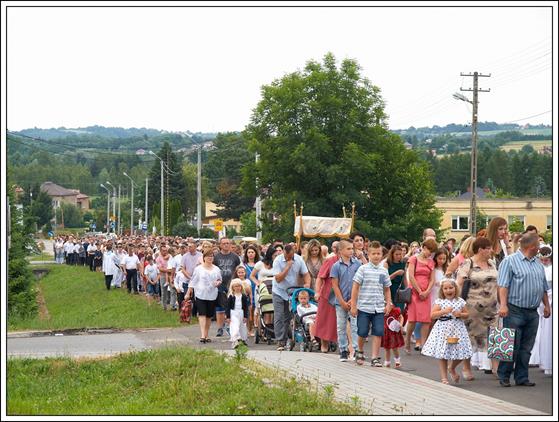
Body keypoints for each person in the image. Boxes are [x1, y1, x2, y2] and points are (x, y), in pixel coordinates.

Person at [496, 232, 551, 387]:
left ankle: (522, 377)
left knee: (526, 347)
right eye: (538, 245)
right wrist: (503, 305)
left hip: (532, 311)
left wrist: (546, 305)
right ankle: (504, 375)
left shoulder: (538, 263)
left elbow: (543, 287)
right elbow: (503, 285)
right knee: (510, 345)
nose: (540, 248)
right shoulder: (510, 261)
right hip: (514, 309)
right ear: (531, 246)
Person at [455, 236, 499, 380]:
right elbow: (459, 284)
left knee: (494, 337)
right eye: (488, 248)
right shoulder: (468, 263)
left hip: (492, 307)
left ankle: (496, 367)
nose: (491, 251)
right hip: (472, 308)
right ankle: (466, 367)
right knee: (470, 337)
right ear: (480, 250)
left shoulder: (492, 263)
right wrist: (458, 305)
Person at [421, 278, 473, 384]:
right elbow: (432, 315)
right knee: (443, 354)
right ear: (442, 290)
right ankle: (444, 377)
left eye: (451, 288)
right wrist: (443, 311)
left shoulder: (460, 301)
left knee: (463, 352)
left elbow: (467, 315)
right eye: (445, 288)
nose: (448, 290)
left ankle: (452, 367)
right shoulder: (440, 301)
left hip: (457, 329)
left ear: (455, 288)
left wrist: (460, 314)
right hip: (443, 330)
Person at [350, 241, 393, 367]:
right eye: (373, 253)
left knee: (378, 331)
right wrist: (353, 305)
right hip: (364, 307)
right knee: (362, 331)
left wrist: (388, 303)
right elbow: (355, 287)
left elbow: (387, 288)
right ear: (368, 254)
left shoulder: (383, 271)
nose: (376, 256)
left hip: (378, 307)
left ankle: (375, 357)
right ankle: (360, 351)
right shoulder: (362, 269)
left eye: (378, 253)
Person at [272, 244, 310, 351]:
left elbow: (306, 274)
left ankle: (288, 337)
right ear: (284, 252)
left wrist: (307, 284)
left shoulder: (299, 259)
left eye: (291, 255)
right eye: (287, 255)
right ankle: (280, 341)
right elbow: (278, 279)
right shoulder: (278, 261)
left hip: (292, 291)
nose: (289, 257)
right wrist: (288, 266)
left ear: (293, 252)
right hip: (279, 291)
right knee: (279, 315)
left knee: (288, 317)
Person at [404, 238, 438, 354]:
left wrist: (427, 291)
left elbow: (432, 279)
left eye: (432, 251)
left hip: (426, 293)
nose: (429, 253)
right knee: (412, 320)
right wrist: (419, 291)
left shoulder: (431, 262)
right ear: (423, 247)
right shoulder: (413, 259)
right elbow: (411, 276)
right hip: (414, 292)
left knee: (426, 320)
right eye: (429, 249)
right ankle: (408, 339)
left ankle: (424, 345)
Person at [330, 239, 361, 362]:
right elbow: (335, 285)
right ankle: (343, 350)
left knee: (355, 325)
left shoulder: (357, 264)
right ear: (341, 251)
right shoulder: (336, 266)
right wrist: (342, 301)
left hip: (353, 300)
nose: (351, 251)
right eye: (348, 249)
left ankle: (357, 350)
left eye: (352, 248)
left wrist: (353, 300)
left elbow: (359, 283)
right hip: (340, 302)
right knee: (341, 326)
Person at [186, 250, 222, 343]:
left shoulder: (216, 269)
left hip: (212, 294)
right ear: (204, 258)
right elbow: (193, 280)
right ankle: (202, 335)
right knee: (202, 314)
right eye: (208, 256)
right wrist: (188, 291)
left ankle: (206, 334)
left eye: (211, 256)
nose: (210, 258)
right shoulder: (199, 269)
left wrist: (218, 282)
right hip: (200, 294)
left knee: (209, 315)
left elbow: (219, 279)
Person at [529, 245, 552, 375]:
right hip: (538, 301)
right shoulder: (537, 269)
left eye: (546, 260)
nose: (544, 262)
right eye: (542, 259)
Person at [214, 238, 241, 337]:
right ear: (220, 245)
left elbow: (239, 269)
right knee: (220, 307)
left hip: (232, 285)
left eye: (227, 243)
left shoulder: (235, 257)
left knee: (232, 306)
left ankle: (230, 326)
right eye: (224, 243)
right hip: (220, 284)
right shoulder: (216, 257)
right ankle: (220, 328)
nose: (226, 245)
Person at [315, 243, 340, 353]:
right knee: (325, 320)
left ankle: (346, 346)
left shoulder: (352, 262)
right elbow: (320, 278)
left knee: (340, 322)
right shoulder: (330, 261)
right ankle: (324, 343)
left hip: (343, 295)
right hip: (327, 294)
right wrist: (317, 292)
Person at [226, 278, 250, 349]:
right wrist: (228, 317)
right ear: (232, 287)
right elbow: (228, 307)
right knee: (235, 326)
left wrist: (245, 316)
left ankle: (243, 339)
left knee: (242, 326)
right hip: (233, 312)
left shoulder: (244, 296)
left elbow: (246, 307)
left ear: (241, 287)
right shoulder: (231, 296)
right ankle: (235, 339)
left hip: (241, 312)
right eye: (236, 286)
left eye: (239, 286)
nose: (237, 288)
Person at [384, 245, 407, 313]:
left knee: (400, 311)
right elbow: (385, 280)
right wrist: (395, 274)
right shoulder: (387, 263)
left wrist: (408, 289)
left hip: (400, 290)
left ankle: (400, 323)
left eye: (400, 254)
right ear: (392, 254)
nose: (398, 256)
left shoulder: (403, 263)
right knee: (391, 311)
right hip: (390, 289)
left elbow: (405, 279)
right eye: (396, 254)